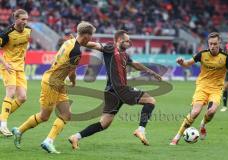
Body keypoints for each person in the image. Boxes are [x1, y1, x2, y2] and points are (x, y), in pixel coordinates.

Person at [68, 30, 162, 150]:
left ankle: (76, 137)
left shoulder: (124, 54)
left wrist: (151, 72)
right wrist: (76, 42)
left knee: (104, 124)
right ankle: (140, 130)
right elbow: (93, 45)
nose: (129, 43)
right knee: (150, 101)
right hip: (120, 89)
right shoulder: (110, 48)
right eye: (127, 41)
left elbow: (135, 64)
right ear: (119, 40)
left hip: (111, 92)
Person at [12, 21, 96, 154]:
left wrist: (100, 47)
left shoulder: (70, 41)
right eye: (91, 36)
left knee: (66, 114)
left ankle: (48, 141)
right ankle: (19, 130)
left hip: (58, 82)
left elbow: (85, 44)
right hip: (52, 82)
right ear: (86, 35)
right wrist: (73, 82)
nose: (91, 39)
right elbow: (72, 73)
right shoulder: (76, 51)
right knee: (44, 116)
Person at [170, 32, 228, 145]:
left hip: (216, 89)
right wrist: (182, 63)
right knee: (195, 112)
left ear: (219, 43)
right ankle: (177, 137)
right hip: (202, 87)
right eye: (210, 44)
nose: (212, 46)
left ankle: (203, 124)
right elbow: (188, 63)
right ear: (208, 43)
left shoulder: (226, 58)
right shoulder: (202, 54)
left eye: (215, 44)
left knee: (211, 112)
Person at [0, 9, 31, 136]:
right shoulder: (6, 34)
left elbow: (24, 46)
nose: (25, 22)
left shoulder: (29, 30)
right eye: (23, 19)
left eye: (26, 19)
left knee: (23, 97)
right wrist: (5, 63)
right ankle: (3, 124)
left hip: (20, 67)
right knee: (11, 92)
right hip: (8, 66)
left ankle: (2, 117)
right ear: (16, 19)